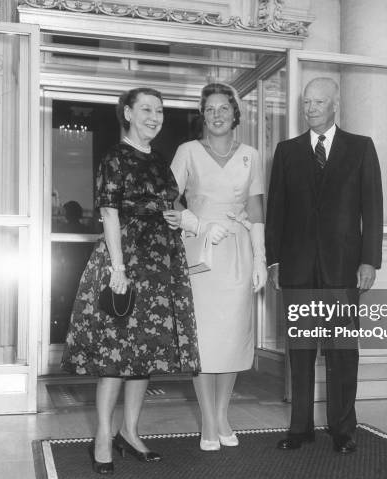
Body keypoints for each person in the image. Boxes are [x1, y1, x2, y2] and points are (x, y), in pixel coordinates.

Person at [61, 87, 200, 474]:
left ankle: (130, 432)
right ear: (127, 113)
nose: (154, 117)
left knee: (144, 355)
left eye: (159, 110)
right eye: (145, 110)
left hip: (160, 264)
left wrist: (176, 217)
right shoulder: (114, 158)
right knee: (116, 356)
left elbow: (170, 203)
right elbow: (109, 214)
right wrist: (118, 269)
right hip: (126, 261)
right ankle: (103, 436)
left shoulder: (158, 161)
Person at [265, 77, 383, 454]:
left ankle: (343, 429)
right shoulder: (286, 152)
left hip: (344, 268)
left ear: (336, 104)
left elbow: (373, 210)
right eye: (306, 102)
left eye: (318, 102)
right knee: (299, 351)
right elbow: (276, 212)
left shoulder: (361, 148)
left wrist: (369, 260)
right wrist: (275, 261)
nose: (311, 108)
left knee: (342, 351)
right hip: (298, 269)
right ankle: (299, 428)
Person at [167, 83, 267, 451]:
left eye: (223, 108)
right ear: (202, 115)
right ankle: (208, 420)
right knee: (205, 340)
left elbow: (256, 208)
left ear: (235, 113)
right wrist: (197, 224)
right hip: (201, 250)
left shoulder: (251, 156)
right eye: (209, 109)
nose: (217, 115)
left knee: (231, 338)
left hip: (238, 250)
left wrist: (260, 256)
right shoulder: (188, 152)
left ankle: (223, 413)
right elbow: (167, 199)